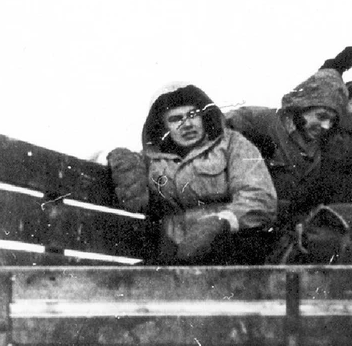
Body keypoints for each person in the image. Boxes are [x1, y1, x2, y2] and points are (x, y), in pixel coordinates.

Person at [107, 83, 278, 265]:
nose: (187, 124)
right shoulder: (153, 159)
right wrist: (122, 162)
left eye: (193, 115)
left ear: (204, 117)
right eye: (175, 119)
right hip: (173, 250)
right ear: (163, 127)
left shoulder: (232, 144)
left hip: (230, 245)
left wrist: (222, 222)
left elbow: (259, 196)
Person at [225, 46, 352, 226]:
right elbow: (213, 124)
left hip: (292, 225)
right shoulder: (260, 120)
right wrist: (247, 141)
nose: (325, 126)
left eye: (332, 121)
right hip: (248, 219)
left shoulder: (328, 144)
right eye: (321, 116)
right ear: (302, 106)